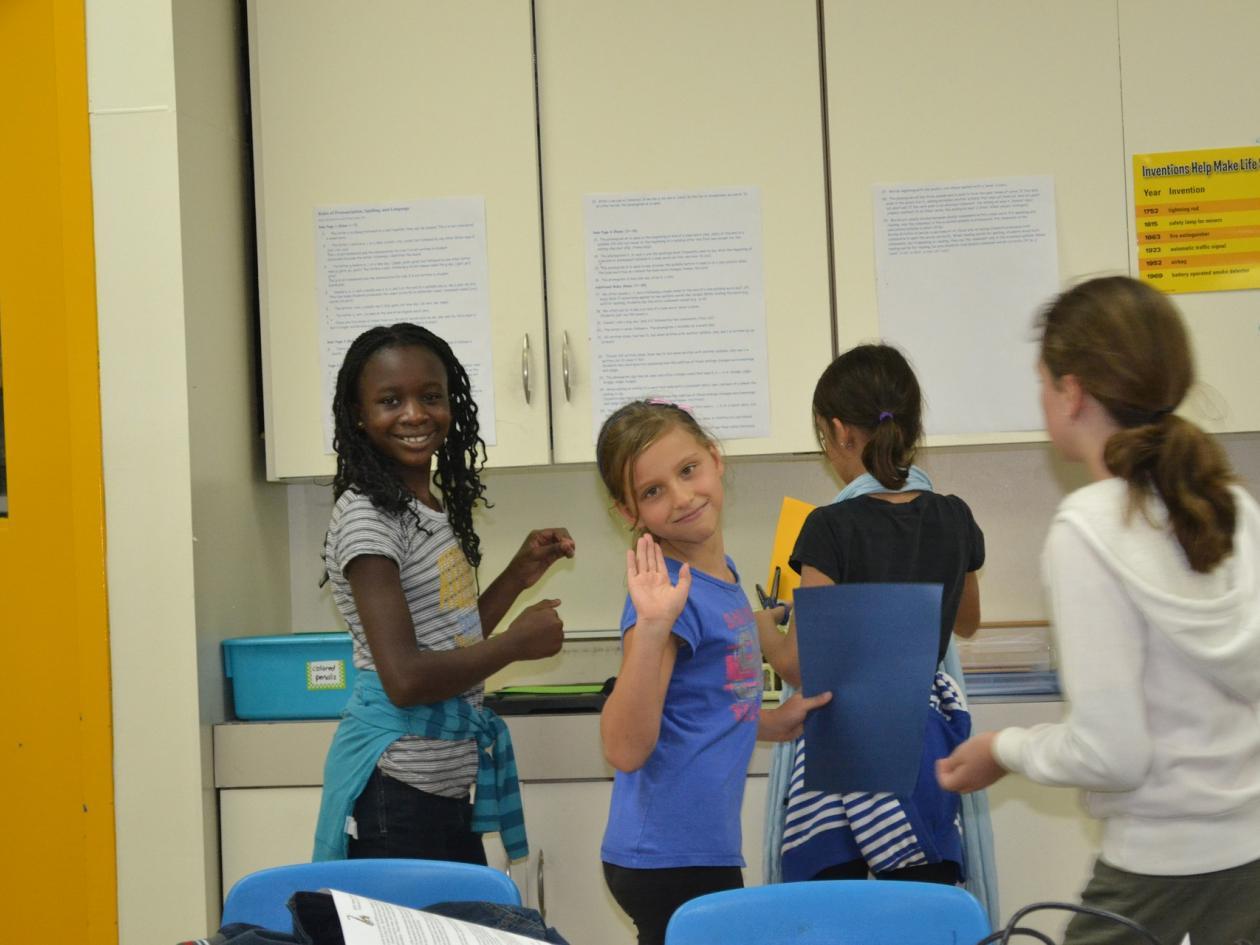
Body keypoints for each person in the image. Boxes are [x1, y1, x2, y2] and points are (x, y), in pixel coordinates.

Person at [937, 276, 1260, 945]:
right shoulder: (1235, 507)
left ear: (1072, 390)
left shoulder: (1087, 528)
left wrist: (1006, 746)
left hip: (1156, 869)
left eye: (1043, 381)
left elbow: (1114, 754)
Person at [311, 323, 575, 866]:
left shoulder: (423, 504)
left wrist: (517, 576)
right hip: (395, 788)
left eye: (430, 396)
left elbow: (447, 641)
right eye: (390, 400)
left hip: (439, 787)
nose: (414, 414)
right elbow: (406, 678)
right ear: (359, 416)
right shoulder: (368, 518)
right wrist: (515, 645)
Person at [594, 399, 832, 945]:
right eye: (652, 491)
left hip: (694, 848)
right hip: (669, 857)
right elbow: (625, 749)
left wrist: (773, 722)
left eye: (688, 470)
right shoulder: (665, 599)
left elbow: (705, 704)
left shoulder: (721, 575)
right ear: (627, 512)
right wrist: (653, 627)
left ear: (715, 459)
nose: (681, 497)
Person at [758, 344, 985, 885]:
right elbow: (967, 621)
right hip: (926, 742)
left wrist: (764, 629)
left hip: (849, 755)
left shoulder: (830, 527)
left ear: (839, 432)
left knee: (840, 917)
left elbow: (799, 666)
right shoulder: (955, 517)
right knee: (921, 910)